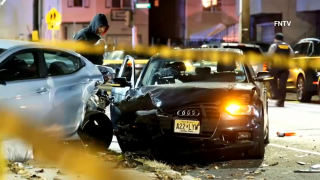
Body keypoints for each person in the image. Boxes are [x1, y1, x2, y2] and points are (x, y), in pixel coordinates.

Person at [267, 33, 294, 107]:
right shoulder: (288, 46)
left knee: (273, 82)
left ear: (275, 38)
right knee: (283, 85)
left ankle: (278, 95)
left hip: (275, 67)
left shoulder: (274, 45)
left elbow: (269, 56)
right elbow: (292, 55)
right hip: (285, 68)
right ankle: (281, 101)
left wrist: (269, 66)